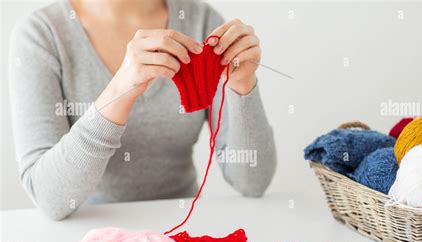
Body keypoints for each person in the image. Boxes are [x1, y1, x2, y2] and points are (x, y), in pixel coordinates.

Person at [9, 0, 276, 220]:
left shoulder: (201, 21)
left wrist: (242, 86)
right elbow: (49, 198)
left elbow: (253, 182)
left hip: (184, 232)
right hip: (88, 240)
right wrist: (119, 92)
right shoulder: (42, 35)